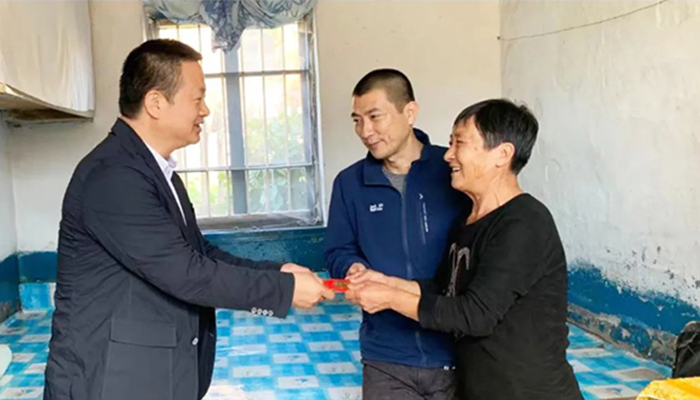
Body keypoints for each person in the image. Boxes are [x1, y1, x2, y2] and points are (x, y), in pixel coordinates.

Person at [44, 39, 333, 400]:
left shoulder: (155, 171)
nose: (206, 110)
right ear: (155, 103)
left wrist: (278, 272)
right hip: (110, 382)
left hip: (147, 377)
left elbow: (198, 253)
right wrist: (283, 291)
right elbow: (185, 273)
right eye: (197, 99)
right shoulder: (114, 176)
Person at [347, 99, 584, 400]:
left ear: (502, 154)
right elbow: (445, 289)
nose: (448, 155)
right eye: (450, 143)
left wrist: (390, 299)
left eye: (459, 143)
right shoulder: (468, 220)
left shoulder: (525, 223)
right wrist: (386, 282)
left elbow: (475, 314)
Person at [324, 69, 467, 400]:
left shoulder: (452, 172)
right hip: (386, 356)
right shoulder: (349, 183)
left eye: (375, 117)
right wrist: (352, 268)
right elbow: (337, 250)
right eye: (357, 120)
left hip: (457, 348)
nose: (365, 131)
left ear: (410, 112)